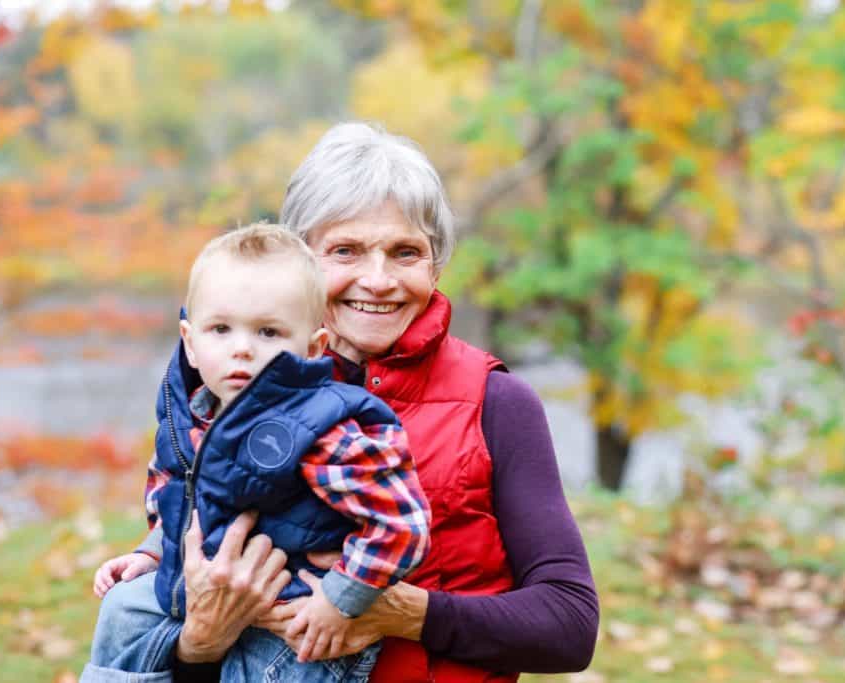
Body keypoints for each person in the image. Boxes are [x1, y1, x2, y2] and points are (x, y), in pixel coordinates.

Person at [90, 121, 599, 682]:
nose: (377, 280)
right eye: (346, 251)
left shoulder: (496, 400)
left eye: (406, 252)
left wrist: (406, 614)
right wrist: (199, 641)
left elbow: (569, 626)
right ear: (300, 262)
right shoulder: (237, 395)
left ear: (435, 265)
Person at [81, 223, 431, 683]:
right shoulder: (191, 418)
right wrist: (151, 553)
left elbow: (402, 523)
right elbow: (183, 498)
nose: (242, 349)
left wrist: (340, 599)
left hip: (298, 621)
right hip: (205, 590)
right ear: (190, 340)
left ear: (312, 348)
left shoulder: (320, 428)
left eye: (268, 332)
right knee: (123, 607)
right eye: (221, 329)